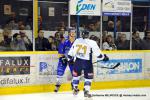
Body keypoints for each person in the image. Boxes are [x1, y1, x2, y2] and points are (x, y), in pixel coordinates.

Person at [68, 30, 109, 98]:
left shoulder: (77, 40)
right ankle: (86, 91)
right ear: (88, 35)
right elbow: (98, 54)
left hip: (77, 61)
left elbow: (71, 52)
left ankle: (75, 88)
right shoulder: (92, 42)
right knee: (88, 78)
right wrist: (104, 57)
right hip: (87, 63)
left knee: (76, 76)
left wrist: (70, 60)